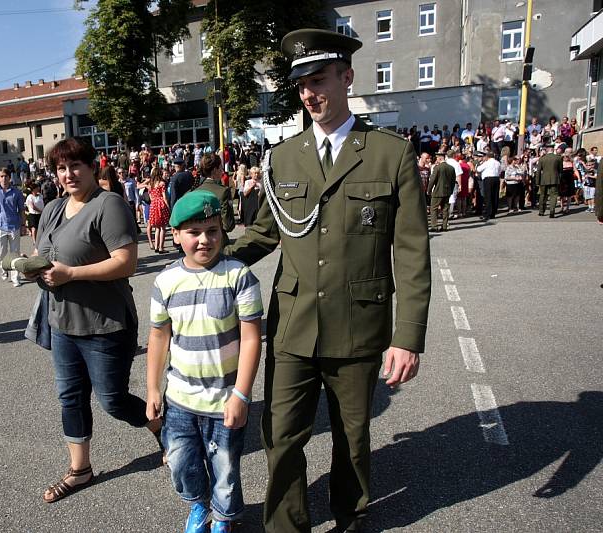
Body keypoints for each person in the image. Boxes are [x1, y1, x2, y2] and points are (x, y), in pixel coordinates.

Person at [224, 29, 430, 533]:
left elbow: (410, 251)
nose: (311, 94)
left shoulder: (390, 154)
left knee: (352, 436)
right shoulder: (282, 158)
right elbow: (264, 233)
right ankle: (286, 525)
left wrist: (408, 337)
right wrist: (207, 258)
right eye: (302, 85)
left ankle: (350, 515)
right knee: (282, 434)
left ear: (347, 78)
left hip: (358, 324)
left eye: (319, 80)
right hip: (294, 322)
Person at [33, 138, 163, 504]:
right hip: (63, 323)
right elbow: (43, 254)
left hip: (105, 324)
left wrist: (71, 274)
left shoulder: (109, 205)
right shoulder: (54, 209)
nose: (68, 174)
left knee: (113, 400)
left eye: (76, 165)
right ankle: (80, 470)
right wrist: (33, 269)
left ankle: (163, 427)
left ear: (92, 167)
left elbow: (126, 262)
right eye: (61, 168)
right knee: (70, 397)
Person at [146, 190, 263, 533]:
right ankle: (199, 504)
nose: (204, 240)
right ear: (176, 234)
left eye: (212, 231)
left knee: (225, 466)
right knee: (181, 462)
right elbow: (158, 338)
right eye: (194, 232)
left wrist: (241, 394)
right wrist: (153, 388)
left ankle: (224, 518)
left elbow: (252, 337)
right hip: (180, 399)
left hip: (224, 399)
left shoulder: (238, 276)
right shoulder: (165, 280)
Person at [0, 167, 26, 287]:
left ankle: (15, 278)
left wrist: (24, 225)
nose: (4, 178)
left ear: (10, 177)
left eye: (6, 176)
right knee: (0, 253)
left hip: (14, 226)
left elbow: (22, 210)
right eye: (1, 176)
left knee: (15, 253)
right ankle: (4, 269)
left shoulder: (17, 192)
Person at [194, 153, 236, 235]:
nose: (222, 170)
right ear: (214, 170)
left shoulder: (195, 191)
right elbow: (228, 225)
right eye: (220, 167)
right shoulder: (223, 191)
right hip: (218, 238)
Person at [428, 152, 455, 231]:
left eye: (437, 158)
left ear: (440, 158)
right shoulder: (451, 168)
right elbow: (453, 181)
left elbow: (432, 180)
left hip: (438, 191)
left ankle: (434, 226)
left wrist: (429, 190)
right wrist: (451, 191)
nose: (436, 159)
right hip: (447, 191)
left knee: (434, 208)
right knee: (445, 209)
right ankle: (444, 226)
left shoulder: (438, 167)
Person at [148, 167, 171, 254]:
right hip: (161, 203)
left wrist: (154, 202)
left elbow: (151, 197)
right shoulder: (162, 183)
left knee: (157, 227)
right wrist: (168, 207)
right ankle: (161, 247)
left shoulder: (150, 184)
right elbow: (164, 197)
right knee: (163, 227)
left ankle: (156, 246)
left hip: (153, 204)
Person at [535, 147, 562, 218]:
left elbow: (538, 171)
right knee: (553, 195)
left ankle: (541, 211)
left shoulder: (542, 158)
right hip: (554, 179)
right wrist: (560, 179)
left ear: (546, 151)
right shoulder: (558, 158)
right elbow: (560, 170)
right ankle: (552, 212)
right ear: (553, 151)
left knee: (542, 195)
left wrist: (537, 181)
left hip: (543, 179)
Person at [476, 152, 502, 221]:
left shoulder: (487, 162)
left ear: (487, 157)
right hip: (496, 178)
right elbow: (500, 171)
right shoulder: (498, 162)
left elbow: (478, 169)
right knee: (495, 196)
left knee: (488, 196)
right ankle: (493, 213)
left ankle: (487, 214)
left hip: (488, 179)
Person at [25, 183, 44, 250]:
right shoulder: (30, 197)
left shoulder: (40, 195)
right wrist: (40, 211)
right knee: (34, 228)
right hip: (33, 214)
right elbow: (32, 206)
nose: (38, 189)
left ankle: (40, 240)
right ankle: (34, 241)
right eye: (36, 188)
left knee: (40, 228)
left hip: (40, 214)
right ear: (33, 190)